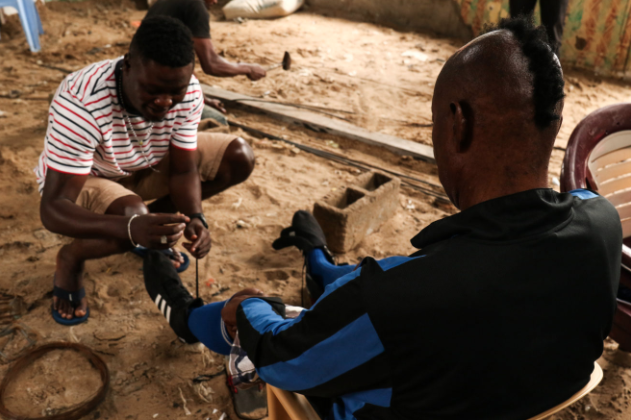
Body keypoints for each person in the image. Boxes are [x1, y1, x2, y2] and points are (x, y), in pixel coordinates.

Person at [144, 17, 622, 420]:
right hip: (533, 393)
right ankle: (318, 260)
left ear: (459, 124)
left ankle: (186, 316)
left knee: (258, 311)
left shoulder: (401, 297)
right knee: (346, 292)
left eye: (435, 122)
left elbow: (284, 358)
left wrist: (246, 309)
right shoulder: (601, 221)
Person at [36, 16, 255, 325]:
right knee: (131, 216)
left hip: (146, 162)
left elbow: (182, 170)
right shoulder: (81, 101)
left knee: (238, 156)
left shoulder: (187, 90)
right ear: (127, 65)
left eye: (174, 92)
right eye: (152, 90)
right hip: (90, 176)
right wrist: (132, 228)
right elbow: (54, 209)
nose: (164, 102)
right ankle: (72, 259)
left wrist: (194, 216)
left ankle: (149, 228)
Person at [144, 0, 267, 121]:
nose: (215, 1)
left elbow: (184, 67)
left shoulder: (164, 4)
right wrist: (248, 68)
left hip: (140, 84)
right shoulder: (195, 6)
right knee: (218, 120)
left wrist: (204, 99)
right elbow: (211, 64)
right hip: (157, 93)